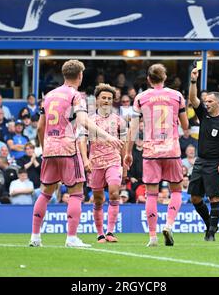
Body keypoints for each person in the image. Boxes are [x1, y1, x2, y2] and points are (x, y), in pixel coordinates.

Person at [29, 60, 123, 248]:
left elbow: (40, 126)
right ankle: (71, 238)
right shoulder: (75, 95)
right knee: (76, 194)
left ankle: (35, 237)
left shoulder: (48, 96)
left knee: (45, 193)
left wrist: (44, 146)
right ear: (79, 76)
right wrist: (107, 136)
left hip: (49, 149)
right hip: (68, 149)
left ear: (64, 75)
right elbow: (83, 121)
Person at [124, 64, 189, 247]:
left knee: (151, 194)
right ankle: (168, 225)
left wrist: (128, 152)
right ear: (165, 77)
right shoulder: (176, 96)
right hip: (172, 150)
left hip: (151, 151)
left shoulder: (141, 98)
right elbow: (185, 126)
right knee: (176, 190)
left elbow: (134, 129)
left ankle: (152, 237)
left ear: (148, 79)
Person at [79, 83, 127, 243]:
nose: (106, 100)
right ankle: (100, 234)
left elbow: (124, 142)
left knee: (114, 192)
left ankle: (110, 232)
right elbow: (82, 141)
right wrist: (85, 160)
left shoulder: (119, 121)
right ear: (97, 100)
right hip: (95, 163)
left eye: (109, 98)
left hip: (113, 161)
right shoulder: (89, 120)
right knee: (98, 199)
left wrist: (125, 162)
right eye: (103, 98)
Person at [187, 68, 219, 242]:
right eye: (205, 101)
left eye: (210, 101)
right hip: (200, 161)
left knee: (214, 198)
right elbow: (192, 98)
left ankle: (211, 233)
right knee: (195, 198)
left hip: (215, 163)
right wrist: (193, 81)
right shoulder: (204, 115)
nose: (206, 103)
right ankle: (210, 224)